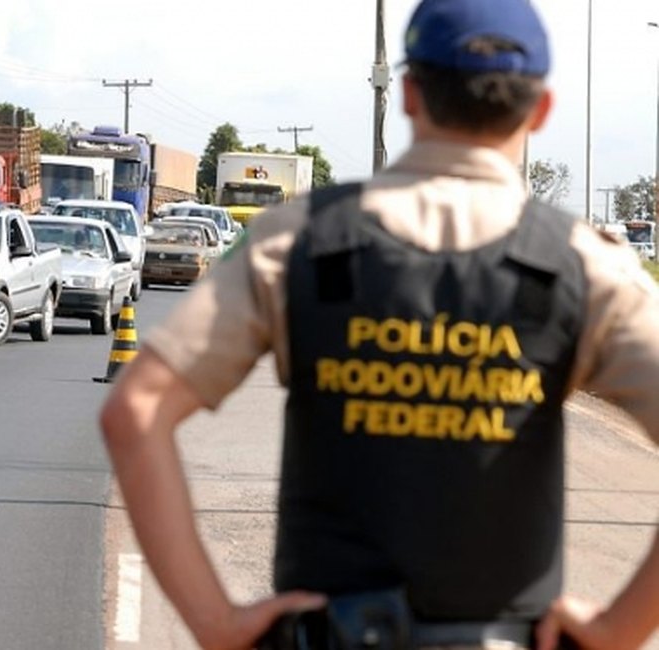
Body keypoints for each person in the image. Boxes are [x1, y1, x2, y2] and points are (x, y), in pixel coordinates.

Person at [99, 1, 659, 649]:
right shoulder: (584, 266)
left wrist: (216, 624)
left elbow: (134, 413)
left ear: (411, 94)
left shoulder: (302, 238)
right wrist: (621, 630)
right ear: (540, 111)